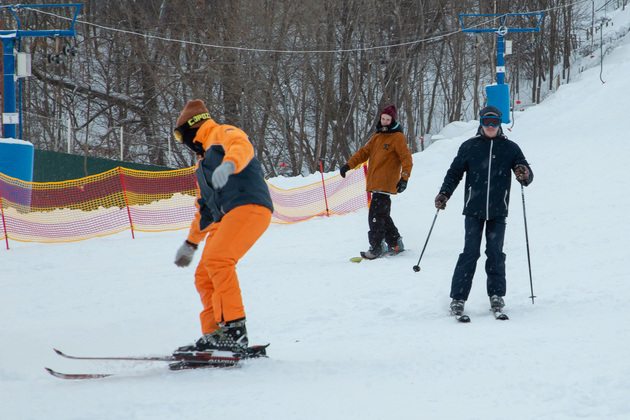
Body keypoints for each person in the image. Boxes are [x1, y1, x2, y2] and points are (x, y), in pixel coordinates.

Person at [172, 99, 274, 353]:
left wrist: (230, 164)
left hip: (248, 205)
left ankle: (233, 330)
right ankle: (214, 333)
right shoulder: (202, 164)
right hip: (225, 217)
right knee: (204, 274)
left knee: (218, 260)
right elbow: (204, 210)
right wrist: (191, 243)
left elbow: (241, 145)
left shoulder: (221, 133)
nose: (182, 142)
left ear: (191, 128)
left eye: (179, 136)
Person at [435, 105, 533, 317]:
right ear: (480, 123)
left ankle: (496, 295)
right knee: (470, 253)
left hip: (498, 211)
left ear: (499, 124)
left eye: (494, 122)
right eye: (486, 122)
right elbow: (454, 173)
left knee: (495, 253)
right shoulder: (469, 146)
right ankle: (458, 298)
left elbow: (526, 174)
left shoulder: (510, 148)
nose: (490, 126)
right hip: (473, 210)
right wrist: (444, 193)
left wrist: (524, 173)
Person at [340, 105, 413, 259]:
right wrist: (348, 165)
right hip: (376, 184)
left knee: (375, 216)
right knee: (382, 216)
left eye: (388, 119)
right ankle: (395, 243)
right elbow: (363, 153)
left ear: (393, 120)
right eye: (383, 119)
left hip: (386, 183)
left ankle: (377, 247)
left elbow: (406, 158)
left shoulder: (397, 137)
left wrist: (404, 178)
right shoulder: (377, 137)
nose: (385, 122)